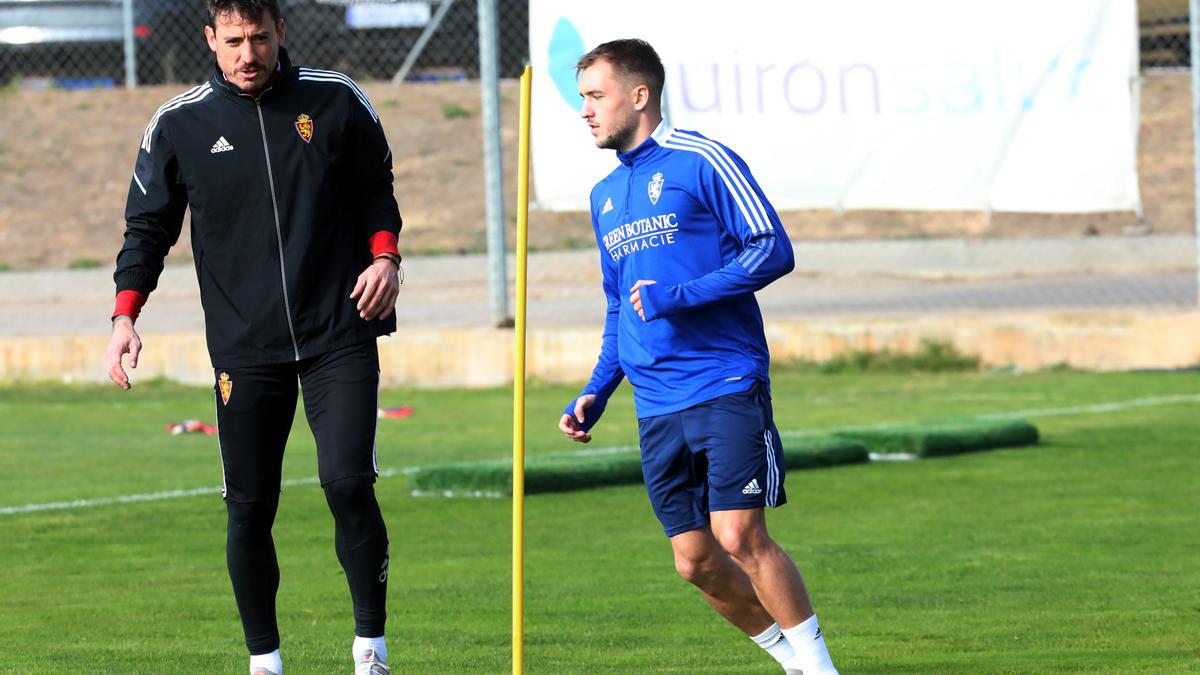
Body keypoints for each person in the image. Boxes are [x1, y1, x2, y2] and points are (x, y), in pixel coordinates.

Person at [105, 2, 401, 673]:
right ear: (210, 39)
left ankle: (371, 650)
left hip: (340, 328)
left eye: (259, 38)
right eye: (233, 41)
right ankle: (264, 661)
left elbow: (375, 187)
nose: (247, 54)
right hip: (245, 345)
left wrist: (385, 256)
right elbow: (148, 228)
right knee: (249, 508)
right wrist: (126, 314)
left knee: (348, 480)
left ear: (281, 34)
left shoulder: (335, 99)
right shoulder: (179, 124)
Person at [558, 39, 838, 674]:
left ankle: (820, 670)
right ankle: (793, 663)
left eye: (595, 96)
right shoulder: (603, 196)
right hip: (656, 404)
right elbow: (618, 306)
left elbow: (772, 248)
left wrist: (681, 296)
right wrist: (596, 390)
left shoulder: (703, 159)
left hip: (723, 380)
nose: (586, 112)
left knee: (740, 536)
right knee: (696, 562)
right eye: (582, 99)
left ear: (640, 95)